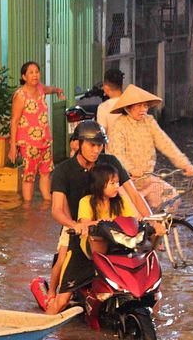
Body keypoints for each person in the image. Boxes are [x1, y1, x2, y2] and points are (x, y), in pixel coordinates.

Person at [42, 120, 152, 314]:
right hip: (76, 227)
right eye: (92, 145)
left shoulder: (111, 163)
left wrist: (151, 219)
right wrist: (74, 225)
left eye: (100, 145)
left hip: (110, 229)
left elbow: (134, 195)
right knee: (63, 263)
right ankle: (52, 293)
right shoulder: (63, 171)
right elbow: (56, 209)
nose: (96, 150)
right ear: (77, 144)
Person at [106, 84, 193, 211]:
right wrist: (131, 169)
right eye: (139, 106)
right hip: (126, 183)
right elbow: (117, 154)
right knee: (134, 214)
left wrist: (185, 164)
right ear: (128, 108)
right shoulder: (119, 126)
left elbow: (165, 144)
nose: (143, 109)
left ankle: (159, 228)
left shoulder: (149, 121)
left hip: (147, 180)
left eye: (146, 106)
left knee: (172, 199)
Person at [8, 61, 65, 202]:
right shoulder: (20, 95)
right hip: (28, 144)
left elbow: (49, 89)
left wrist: (58, 90)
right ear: (24, 76)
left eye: (37, 72)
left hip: (45, 140)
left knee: (46, 173)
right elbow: (14, 121)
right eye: (31, 72)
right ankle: (27, 210)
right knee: (29, 176)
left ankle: (47, 203)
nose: (35, 75)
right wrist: (12, 147)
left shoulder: (40, 89)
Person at [75, 163, 137, 258]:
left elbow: (130, 219)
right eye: (112, 183)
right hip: (94, 243)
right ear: (99, 184)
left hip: (120, 241)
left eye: (117, 182)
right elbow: (85, 223)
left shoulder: (122, 200)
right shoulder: (86, 201)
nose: (117, 186)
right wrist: (100, 223)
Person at [95, 68, 125, 134]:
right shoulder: (131, 102)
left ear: (106, 87)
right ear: (122, 85)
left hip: (113, 144)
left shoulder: (103, 108)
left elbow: (102, 133)